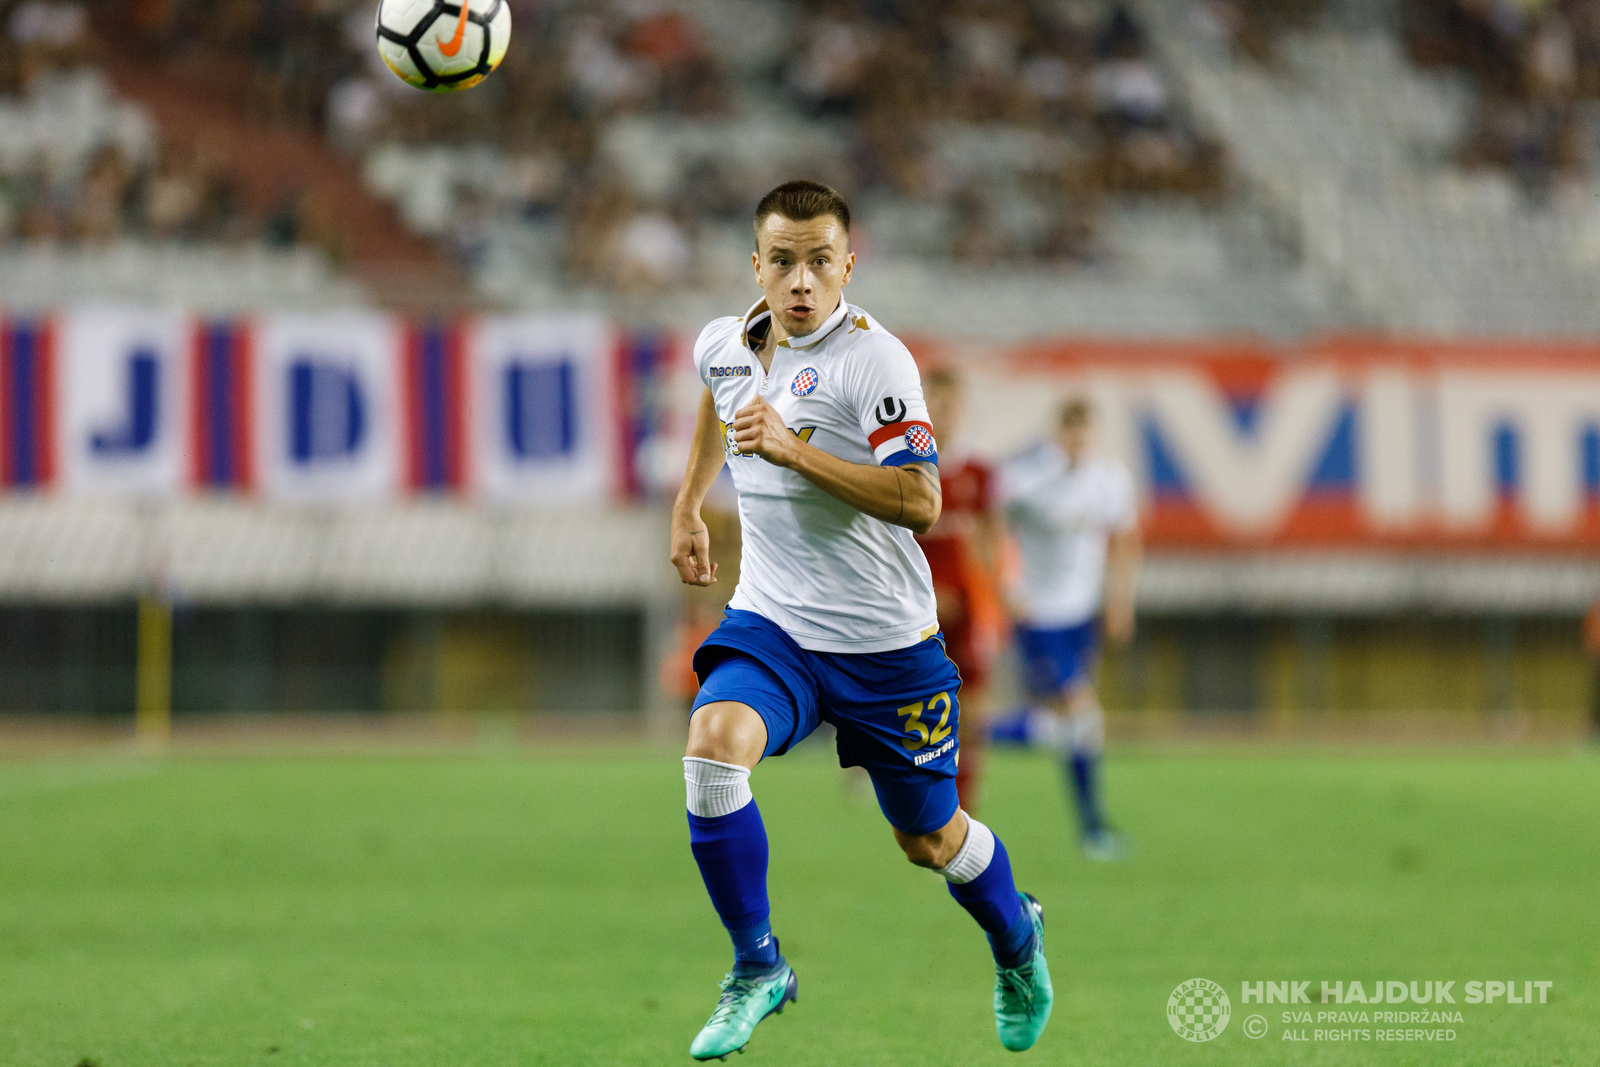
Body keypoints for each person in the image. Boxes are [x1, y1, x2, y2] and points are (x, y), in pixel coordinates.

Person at [669, 180, 1053, 1061]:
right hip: (774, 624)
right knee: (712, 745)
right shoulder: (725, 344)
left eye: (818, 262)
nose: (801, 281)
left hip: (885, 644)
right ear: (755, 265)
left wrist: (793, 449)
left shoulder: (874, 362)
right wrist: (691, 503)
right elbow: (715, 396)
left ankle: (1017, 936)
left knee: (930, 839)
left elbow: (923, 498)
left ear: (848, 263)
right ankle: (758, 965)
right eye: (782, 261)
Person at [999, 397, 1141, 861]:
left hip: (1083, 617)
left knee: (1071, 726)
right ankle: (1094, 829)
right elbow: (991, 527)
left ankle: (974, 729)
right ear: (1056, 431)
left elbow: (1126, 537)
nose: (1076, 440)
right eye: (1069, 430)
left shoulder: (1109, 480)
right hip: (1039, 616)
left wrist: (1120, 599)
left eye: (1084, 431)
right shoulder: (1027, 479)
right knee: (1084, 717)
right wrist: (1006, 586)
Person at [916, 368, 1003, 814]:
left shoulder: (978, 470)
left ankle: (962, 811)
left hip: (965, 609)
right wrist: (927, 592)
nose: (946, 412)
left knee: (974, 712)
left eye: (953, 404)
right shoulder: (905, 465)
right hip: (911, 609)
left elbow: (990, 539)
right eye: (937, 402)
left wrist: (995, 602)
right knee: (917, 711)